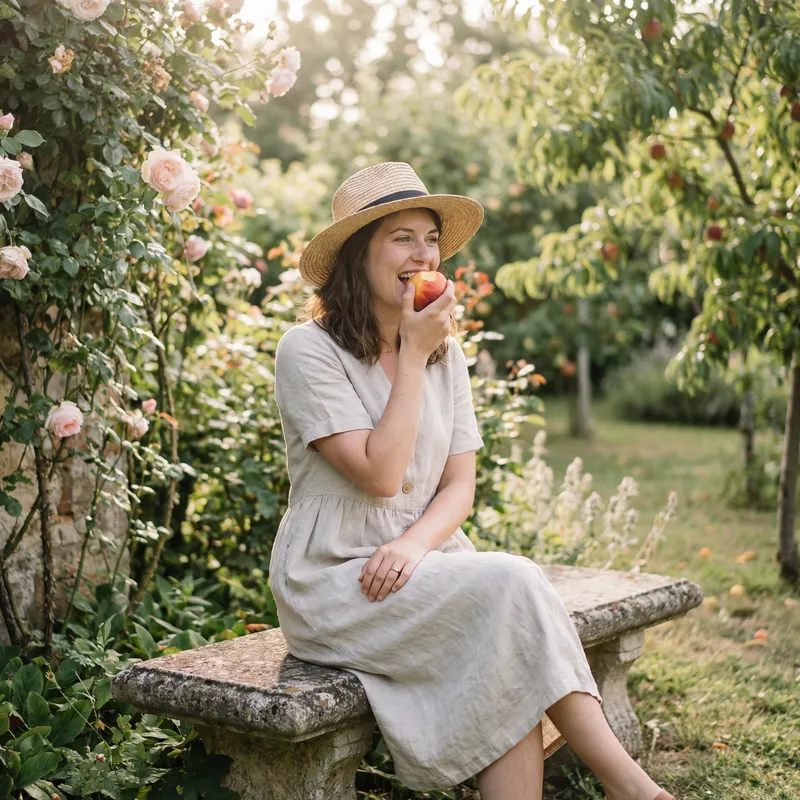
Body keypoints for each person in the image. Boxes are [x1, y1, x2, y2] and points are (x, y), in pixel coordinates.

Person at [270, 162, 674, 800]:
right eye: (401, 237)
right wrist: (408, 350)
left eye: (430, 238)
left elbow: (460, 483)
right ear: (358, 254)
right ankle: (631, 788)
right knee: (511, 585)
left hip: (420, 562)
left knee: (501, 640)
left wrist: (413, 545)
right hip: (334, 579)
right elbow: (381, 474)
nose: (422, 252)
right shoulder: (308, 351)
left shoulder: (444, 351)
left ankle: (632, 791)